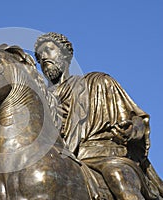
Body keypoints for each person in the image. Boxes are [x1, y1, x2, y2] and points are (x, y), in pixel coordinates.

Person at [35, 32, 163, 200]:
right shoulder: (40, 101)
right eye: (39, 56)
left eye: (49, 50)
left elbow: (136, 118)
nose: (43, 57)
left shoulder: (98, 82)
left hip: (104, 154)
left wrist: (132, 130)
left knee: (120, 180)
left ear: (65, 54)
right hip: (62, 160)